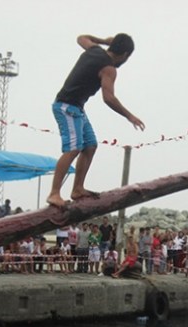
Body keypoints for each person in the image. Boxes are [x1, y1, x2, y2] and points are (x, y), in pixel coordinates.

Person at [46, 33, 145, 208]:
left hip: (77, 107)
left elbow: (81, 38)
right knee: (74, 148)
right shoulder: (109, 69)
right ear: (125, 55)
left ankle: (77, 188)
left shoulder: (94, 50)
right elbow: (109, 98)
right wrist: (129, 116)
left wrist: (104, 41)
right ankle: (54, 193)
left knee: (90, 145)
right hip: (66, 107)